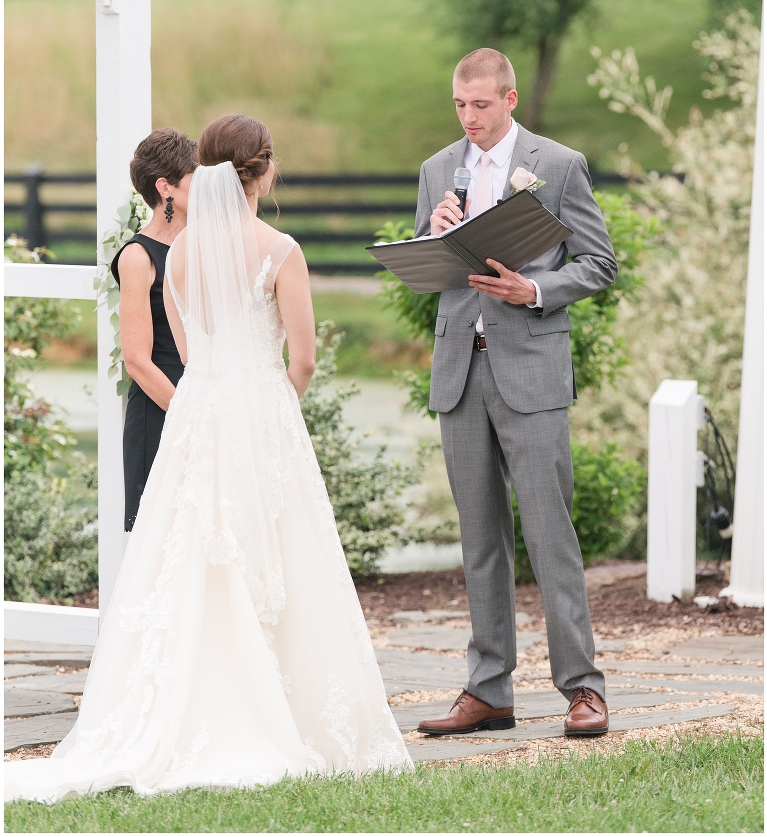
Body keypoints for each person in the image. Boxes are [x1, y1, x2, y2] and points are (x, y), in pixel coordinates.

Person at [6, 114, 410, 803]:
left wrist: (222, 398)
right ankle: (289, 712)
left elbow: (191, 355)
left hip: (201, 413)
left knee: (189, 559)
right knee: (280, 554)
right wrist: (269, 408)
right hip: (261, 413)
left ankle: (184, 707)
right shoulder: (281, 250)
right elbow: (303, 360)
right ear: (265, 168)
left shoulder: (181, 253)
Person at [414, 49, 617, 740]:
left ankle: (583, 690)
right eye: (458, 106)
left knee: (549, 533)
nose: (468, 118)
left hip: (530, 370)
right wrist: (433, 235)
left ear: (509, 99)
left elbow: (598, 263)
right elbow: (427, 273)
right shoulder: (438, 170)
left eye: (479, 105)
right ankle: (488, 691)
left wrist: (534, 289)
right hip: (460, 372)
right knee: (479, 540)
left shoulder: (557, 166)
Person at [111, 128, 198, 532]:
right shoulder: (137, 256)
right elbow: (136, 360)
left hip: (205, 396)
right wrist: (192, 415)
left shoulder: (200, 245)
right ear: (166, 188)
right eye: (195, 177)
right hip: (163, 409)